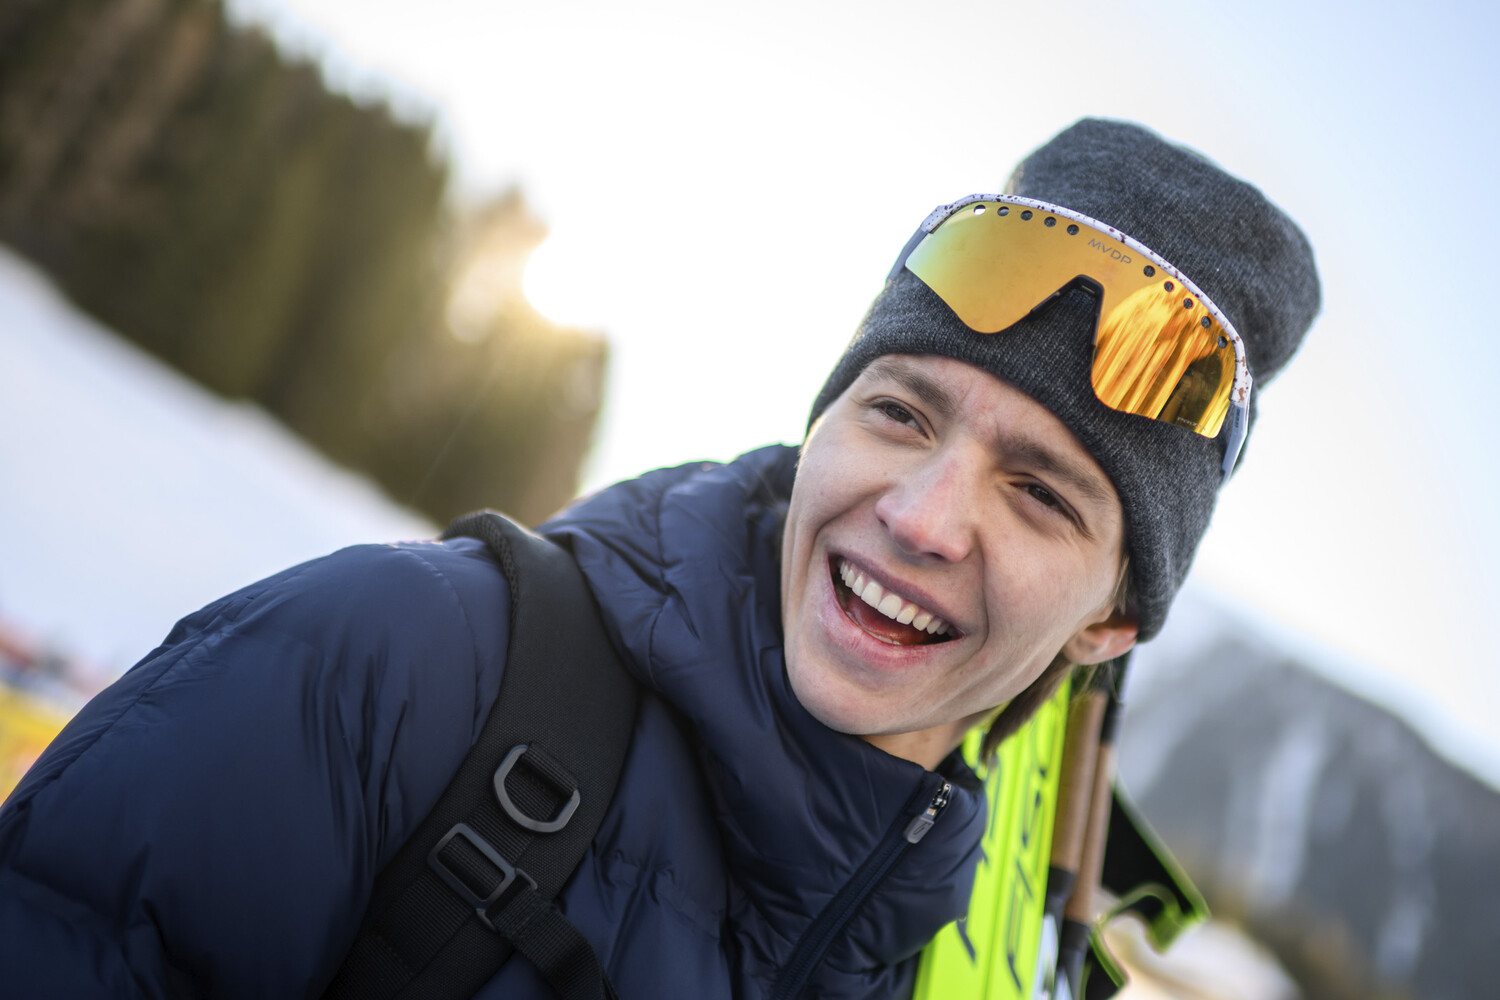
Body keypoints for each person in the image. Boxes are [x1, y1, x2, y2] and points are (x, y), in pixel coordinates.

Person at [0, 118, 1319, 999]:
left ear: (1107, 626)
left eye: (1036, 494)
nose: (922, 518)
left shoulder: (937, 951)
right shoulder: (395, 663)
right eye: (900, 414)